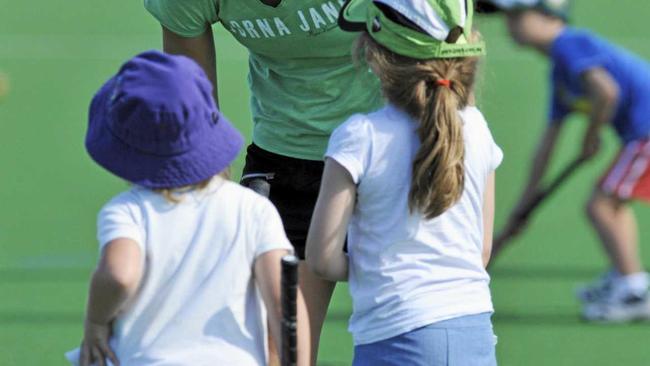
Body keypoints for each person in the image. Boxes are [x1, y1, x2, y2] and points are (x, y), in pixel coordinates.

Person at [142, 1, 384, 362]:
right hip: (287, 160)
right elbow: (197, 116)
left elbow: (443, 52)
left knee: (408, 335)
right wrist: (215, 212)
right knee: (272, 348)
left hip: (393, 153)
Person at [65, 50, 308, 366]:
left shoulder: (129, 211)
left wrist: (96, 321)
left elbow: (119, 275)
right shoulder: (252, 209)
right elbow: (284, 300)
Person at [306, 0, 502, 364]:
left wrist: (373, 267)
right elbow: (481, 250)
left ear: (374, 55)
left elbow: (321, 259)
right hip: (474, 335)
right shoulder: (477, 129)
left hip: (393, 339)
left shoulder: (359, 137)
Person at [477, 0, 650, 322]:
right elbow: (547, 146)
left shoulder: (569, 44)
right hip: (640, 136)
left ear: (548, 14)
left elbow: (606, 92)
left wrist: (591, 136)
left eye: (517, 16)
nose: (509, 25)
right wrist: (522, 209)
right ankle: (625, 276)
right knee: (610, 203)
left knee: (601, 205)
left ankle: (634, 289)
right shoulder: (560, 71)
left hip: (646, 134)